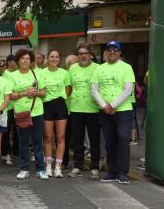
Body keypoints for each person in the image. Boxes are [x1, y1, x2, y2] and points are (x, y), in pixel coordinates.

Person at [91, 41, 135, 185]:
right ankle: (112, 170)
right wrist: (104, 106)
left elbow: (128, 90)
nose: (111, 52)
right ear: (105, 52)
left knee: (122, 138)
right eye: (109, 50)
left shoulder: (126, 68)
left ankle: (122, 172)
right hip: (105, 111)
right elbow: (94, 90)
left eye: (115, 50)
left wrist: (113, 104)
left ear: (119, 52)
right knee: (109, 142)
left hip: (123, 110)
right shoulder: (99, 69)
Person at [9, 49, 48, 180]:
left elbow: (43, 93)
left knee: (38, 141)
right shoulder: (12, 75)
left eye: (27, 59)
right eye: (22, 58)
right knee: (23, 141)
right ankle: (24, 168)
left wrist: (35, 93)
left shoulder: (37, 74)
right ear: (18, 61)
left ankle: (40, 169)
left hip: (36, 111)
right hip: (21, 112)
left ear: (31, 62)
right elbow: (10, 95)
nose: (25, 61)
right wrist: (24, 93)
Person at [67, 44, 101, 180]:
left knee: (94, 140)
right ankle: (77, 166)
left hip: (93, 109)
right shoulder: (72, 68)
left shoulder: (98, 69)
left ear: (90, 55)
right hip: (76, 108)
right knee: (78, 141)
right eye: (80, 53)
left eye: (85, 53)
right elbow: (68, 88)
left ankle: (94, 167)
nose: (83, 56)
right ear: (77, 56)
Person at [39, 49, 70, 178]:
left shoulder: (64, 73)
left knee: (61, 137)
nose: (54, 59)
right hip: (47, 105)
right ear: (48, 58)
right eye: (52, 56)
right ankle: (48, 166)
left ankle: (58, 167)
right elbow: (41, 90)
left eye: (57, 57)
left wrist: (59, 97)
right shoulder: (41, 73)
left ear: (59, 59)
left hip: (60, 105)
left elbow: (68, 89)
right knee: (47, 137)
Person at [2, 54, 19, 163]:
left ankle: (16, 151)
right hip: (8, 107)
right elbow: (8, 91)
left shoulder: (16, 74)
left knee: (17, 130)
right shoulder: (6, 75)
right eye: (15, 61)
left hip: (17, 106)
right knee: (6, 131)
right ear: (9, 62)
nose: (17, 63)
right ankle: (6, 153)